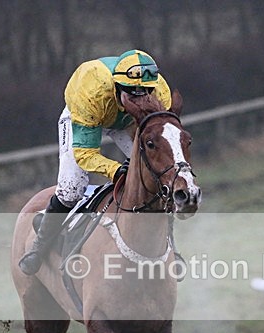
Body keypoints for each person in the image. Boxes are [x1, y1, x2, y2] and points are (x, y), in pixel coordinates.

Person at [19, 49, 172, 275]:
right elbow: (85, 154)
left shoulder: (160, 95)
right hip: (86, 117)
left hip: (126, 122)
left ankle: (169, 247)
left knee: (156, 176)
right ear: (117, 87)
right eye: (133, 95)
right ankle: (38, 248)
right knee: (72, 188)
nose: (140, 102)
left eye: (145, 95)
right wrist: (115, 170)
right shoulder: (92, 93)